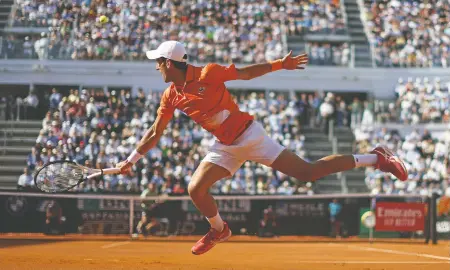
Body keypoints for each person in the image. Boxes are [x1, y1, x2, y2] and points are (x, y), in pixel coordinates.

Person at [116, 41, 408, 255]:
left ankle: (376, 157)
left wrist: (281, 64)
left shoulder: (208, 73)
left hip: (251, 136)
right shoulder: (170, 95)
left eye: (159, 61)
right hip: (224, 146)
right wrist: (131, 159)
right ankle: (219, 230)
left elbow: (244, 74)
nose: (156, 66)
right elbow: (156, 131)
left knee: (308, 173)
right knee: (196, 189)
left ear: (169, 62)